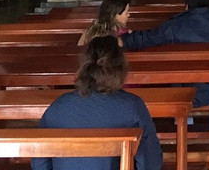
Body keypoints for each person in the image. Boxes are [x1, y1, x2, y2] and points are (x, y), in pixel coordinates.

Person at [32, 36, 162, 170]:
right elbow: (151, 163)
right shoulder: (133, 106)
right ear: (121, 68)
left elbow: (39, 163)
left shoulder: (57, 107)